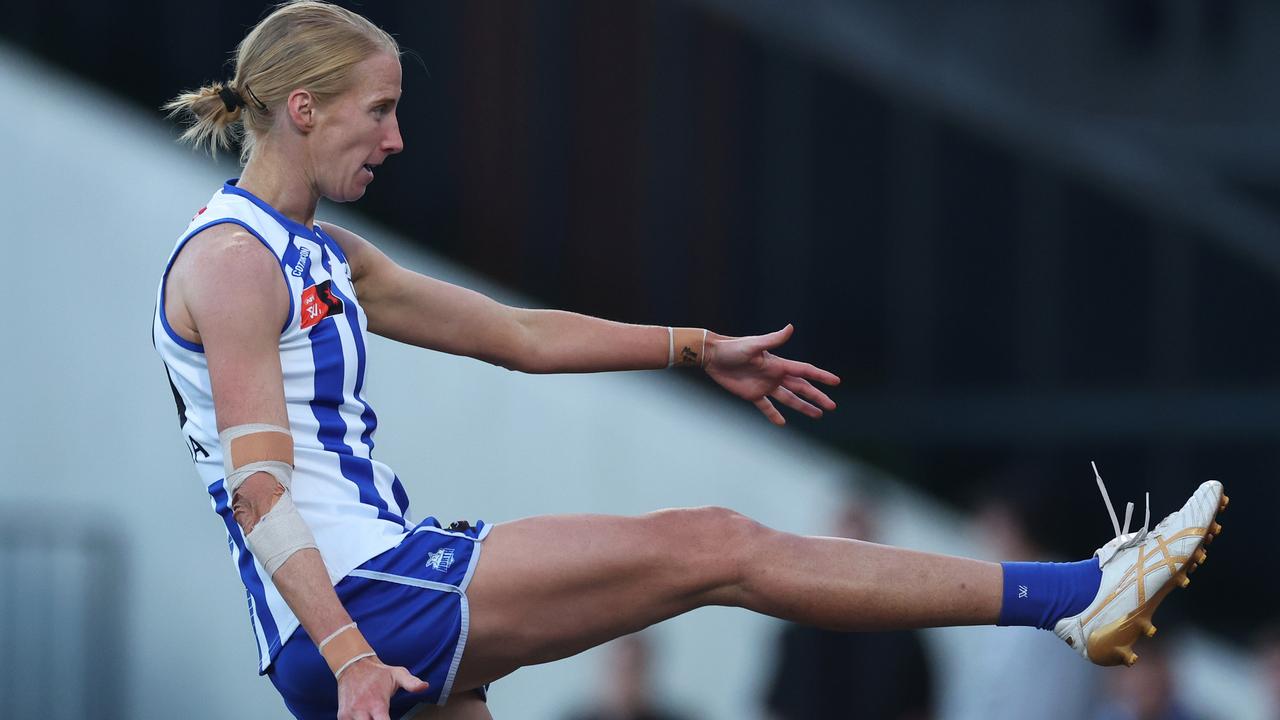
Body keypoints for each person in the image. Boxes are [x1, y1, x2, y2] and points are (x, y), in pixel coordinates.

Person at [154, 3, 1229, 719]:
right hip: (357, 600)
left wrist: (692, 348)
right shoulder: (235, 260)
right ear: (303, 109)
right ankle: (1076, 594)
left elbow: (518, 337)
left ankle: (1076, 597)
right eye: (378, 110)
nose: (393, 139)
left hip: (367, 588)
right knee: (718, 547)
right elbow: (261, 492)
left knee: (717, 550)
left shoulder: (322, 252)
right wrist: (347, 656)